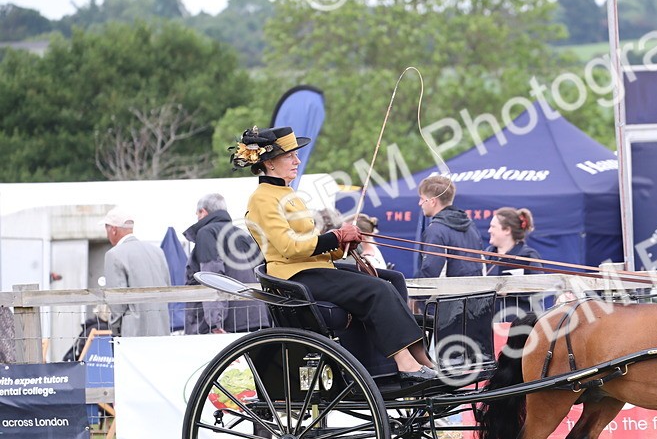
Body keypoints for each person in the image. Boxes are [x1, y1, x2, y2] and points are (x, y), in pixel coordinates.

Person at [234, 126, 436, 380]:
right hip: (294, 277)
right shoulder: (263, 198)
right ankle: (405, 364)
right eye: (290, 156)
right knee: (378, 289)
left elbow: (312, 245)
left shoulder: (287, 193)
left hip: (313, 268)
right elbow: (289, 247)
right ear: (270, 163)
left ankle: (421, 357)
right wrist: (335, 236)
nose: (297, 161)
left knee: (394, 279)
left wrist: (342, 245)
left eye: (296, 155)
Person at [183, 193, 270, 335]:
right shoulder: (243, 235)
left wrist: (215, 322)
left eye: (197, 214)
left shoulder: (207, 233)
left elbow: (212, 277)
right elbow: (262, 273)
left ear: (203, 212)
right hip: (257, 317)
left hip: (226, 325)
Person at [102, 207, 172, 337]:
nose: (107, 235)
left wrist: (115, 330)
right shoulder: (157, 252)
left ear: (113, 229)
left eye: (106, 229)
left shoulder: (114, 255)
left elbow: (117, 303)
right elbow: (168, 288)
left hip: (133, 333)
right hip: (162, 330)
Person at [416, 175, 484, 278]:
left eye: (422, 199)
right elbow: (481, 265)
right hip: (477, 288)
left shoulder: (435, 231)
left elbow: (430, 274)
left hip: (448, 288)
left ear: (432, 201)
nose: (420, 203)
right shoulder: (471, 226)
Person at [485, 207, 542, 276]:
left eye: (493, 227)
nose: (489, 230)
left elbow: (539, 281)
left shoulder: (528, 257)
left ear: (507, 230)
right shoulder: (487, 254)